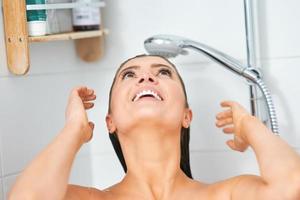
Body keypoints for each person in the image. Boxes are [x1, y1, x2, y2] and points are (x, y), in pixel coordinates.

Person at [8, 55, 300, 200]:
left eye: (163, 72)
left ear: (187, 116)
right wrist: (73, 130)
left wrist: (251, 127)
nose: (146, 78)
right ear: (111, 122)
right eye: (129, 75)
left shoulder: (226, 195)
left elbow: (291, 187)